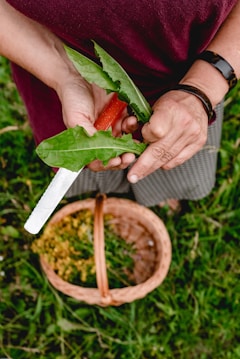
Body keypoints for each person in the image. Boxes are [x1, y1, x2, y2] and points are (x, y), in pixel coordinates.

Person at [0, 0, 239, 207]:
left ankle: (162, 193)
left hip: (191, 74)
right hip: (56, 71)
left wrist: (202, 87)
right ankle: (98, 191)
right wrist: (66, 74)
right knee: (89, 169)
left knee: (172, 164)